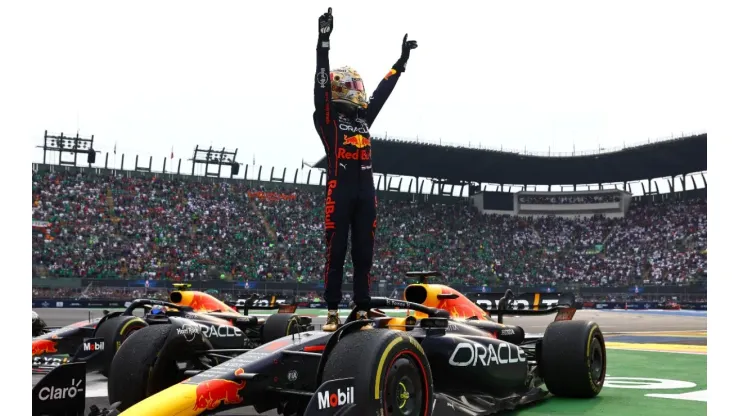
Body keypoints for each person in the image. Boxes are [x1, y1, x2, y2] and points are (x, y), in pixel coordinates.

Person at [313, 7, 417, 331]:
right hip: (339, 192)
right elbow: (319, 89)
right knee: (336, 253)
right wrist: (323, 43)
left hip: (365, 194)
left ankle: (361, 308)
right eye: (352, 86)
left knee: (364, 254)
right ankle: (332, 311)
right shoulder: (328, 120)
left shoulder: (363, 119)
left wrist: (399, 65)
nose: (358, 91)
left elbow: (381, 95)